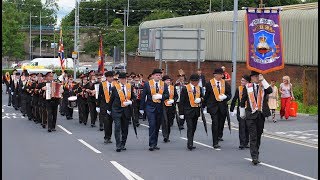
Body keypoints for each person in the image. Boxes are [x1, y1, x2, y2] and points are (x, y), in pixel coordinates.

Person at [239, 71, 272, 165]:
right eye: (255, 76)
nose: (257, 78)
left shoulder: (263, 86)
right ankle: (254, 157)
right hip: (251, 115)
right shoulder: (247, 87)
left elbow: (270, 91)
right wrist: (242, 112)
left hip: (260, 115)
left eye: (258, 76)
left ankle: (256, 153)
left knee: (258, 136)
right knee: (253, 136)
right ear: (252, 78)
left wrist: (263, 80)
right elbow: (243, 100)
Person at [139, 69, 169, 151]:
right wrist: (141, 108)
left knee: (157, 125)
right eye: (156, 75)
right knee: (152, 124)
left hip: (160, 107)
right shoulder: (147, 84)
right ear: (152, 76)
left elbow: (167, 95)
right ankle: (151, 144)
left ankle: (155, 143)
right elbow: (143, 96)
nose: (158, 76)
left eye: (159, 75)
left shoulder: (164, 85)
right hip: (150, 106)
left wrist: (161, 96)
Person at [203, 68, 231, 149]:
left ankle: (219, 135)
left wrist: (226, 97)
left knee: (221, 123)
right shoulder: (209, 84)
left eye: (222, 74)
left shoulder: (225, 83)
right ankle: (215, 142)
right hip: (213, 107)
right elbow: (207, 96)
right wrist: (203, 105)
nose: (222, 76)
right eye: (221, 74)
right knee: (215, 123)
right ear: (215, 75)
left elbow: (229, 94)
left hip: (222, 107)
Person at [108, 72, 136, 152]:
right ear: (119, 79)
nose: (123, 80)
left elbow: (134, 97)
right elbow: (111, 99)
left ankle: (123, 143)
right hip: (116, 110)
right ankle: (118, 145)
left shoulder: (129, 87)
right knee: (117, 127)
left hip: (126, 110)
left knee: (125, 128)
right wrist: (109, 109)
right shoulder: (115, 88)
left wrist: (131, 101)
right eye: (121, 79)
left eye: (124, 79)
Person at [179, 74, 204, 150]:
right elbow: (181, 102)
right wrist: (181, 113)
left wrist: (200, 99)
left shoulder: (199, 88)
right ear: (192, 81)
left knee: (194, 127)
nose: (198, 82)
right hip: (188, 111)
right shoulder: (185, 88)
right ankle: (190, 143)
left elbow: (203, 97)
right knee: (190, 127)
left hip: (196, 111)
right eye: (197, 81)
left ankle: (191, 141)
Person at [230, 75, 250, 149]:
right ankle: (242, 143)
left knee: (247, 126)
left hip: (248, 110)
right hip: (241, 109)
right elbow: (235, 99)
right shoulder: (239, 89)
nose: (241, 82)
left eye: (243, 81)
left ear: (247, 82)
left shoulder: (250, 88)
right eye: (241, 80)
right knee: (242, 126)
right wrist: (231, 109)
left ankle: (246, 142)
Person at [96, 71, 115, 143]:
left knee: (111, 122)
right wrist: (98, 106)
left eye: (112, 77)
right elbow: (99, 95)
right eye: (110, 77)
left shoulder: (115, 84)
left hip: (113, 105)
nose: (111, 78)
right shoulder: (102, 85)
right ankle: (107, 137)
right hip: (104, 105)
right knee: (106, 122)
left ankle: (109, 136)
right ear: (107, 77)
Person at [162, 75, 178, 143]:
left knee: (169, 122)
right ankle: (165, 136)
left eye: (169, 80)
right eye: (167, 80)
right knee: (165, 121)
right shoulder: (161, 88)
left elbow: (176, 96)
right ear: (163, 81)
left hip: (171, 107)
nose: (168, 81)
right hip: (163, 106)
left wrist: (173, 100)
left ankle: (167, 135)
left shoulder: (172, 87)